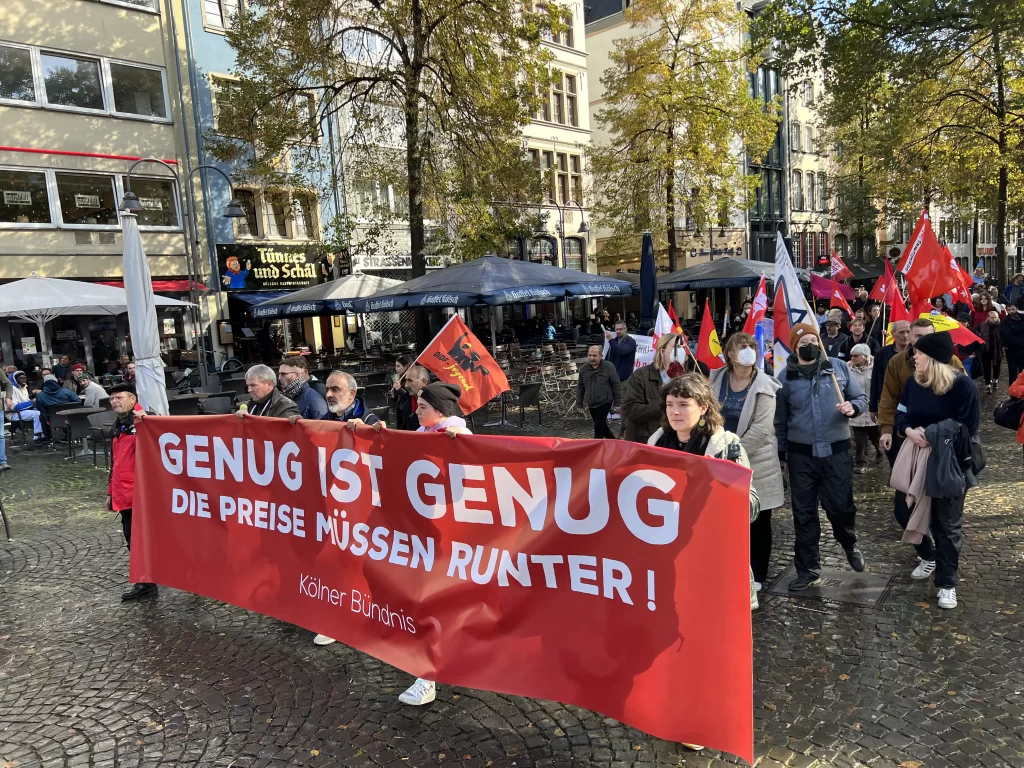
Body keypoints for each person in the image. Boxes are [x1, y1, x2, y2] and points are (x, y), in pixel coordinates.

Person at [647, 373, 762, 611]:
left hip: (713, 555)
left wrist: (718, 484)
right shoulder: (656, 443)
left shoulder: (726, 447)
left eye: (683, 405)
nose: (674, 411)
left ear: (703, 408)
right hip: (671, 557)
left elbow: (751, 507)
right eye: (670, 405)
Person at [775, 323, 867, 592]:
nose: (810, 344)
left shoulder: (837, 368)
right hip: (801, 456)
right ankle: (807, 569)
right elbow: (780, 420)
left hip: (836, 451)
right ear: (795, 346)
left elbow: (859, 397)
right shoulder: (785, 378)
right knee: (804, 515)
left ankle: (849, 543)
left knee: (840, 507)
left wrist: (854, 407)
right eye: (804, 341)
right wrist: (781, 455)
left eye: (815, 339)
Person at [892, 331, 979, 609]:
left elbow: (970, 427)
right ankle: (928, 556)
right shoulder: (912, 383)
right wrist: (907, 429)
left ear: (932, 358)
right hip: (914, 457)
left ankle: (947, 583)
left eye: (918, 352)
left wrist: (932, 433)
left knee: (946, 525)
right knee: (902, 511)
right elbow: (900, 414)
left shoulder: (963, 386)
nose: (912, 356)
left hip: (948, 463)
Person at [398, 382, 471, 707]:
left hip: (447, 540)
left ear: (440, 411)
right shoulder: (422, 435)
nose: (417, 411)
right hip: (423, 536)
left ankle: (427, 677)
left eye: (423, 407)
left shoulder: (459, 440)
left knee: (434, 603)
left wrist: (460, 452)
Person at [310, 370, 383, 648]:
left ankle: (370, 616)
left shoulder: (367, 417)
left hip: (364, 509)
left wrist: (368, 430)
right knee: (336, 562)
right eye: (327, 389)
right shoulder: (326, 420)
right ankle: (339, 620)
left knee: (362, 565)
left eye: (335, 390)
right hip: (335, 507)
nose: (328, 394)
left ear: (352, 394)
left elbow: (382, 432)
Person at [709, 333, 783, 593]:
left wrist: (733, 455)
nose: (748, 350)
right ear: (730, 353)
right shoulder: (715, 378)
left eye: (752, 346)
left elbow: (762, 429)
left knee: (758, 520)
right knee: (724, 519)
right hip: (717, 460)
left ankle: (758, 572)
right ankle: (729, 567)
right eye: (742, 347)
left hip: (756, 462)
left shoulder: (765, 384)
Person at [105, 383, 158, 601]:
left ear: (132, 398)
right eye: (112, 399)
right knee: (133, 540)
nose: (114, 402)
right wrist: (110, 492)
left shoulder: (145, 420)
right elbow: (116, 463)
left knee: (153, 539)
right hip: (125, 494)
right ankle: (146, 584)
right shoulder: (118, 426)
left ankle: (186, 575)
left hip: (144, 494)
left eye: (118, 397)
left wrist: (149, 421)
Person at [622, 333, 689, 443]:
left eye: (682, 347)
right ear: (663, 351)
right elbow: (630, 410)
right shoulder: (641, 375)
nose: (680, 350)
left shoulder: (689, 379)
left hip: (678, 441)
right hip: (647, 440)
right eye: (676, 347)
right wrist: (667, 407)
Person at [575, 345, 622, 439]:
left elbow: (616, 385)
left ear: (601, 355)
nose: (592, 358)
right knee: (602, 426)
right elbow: (580, 386)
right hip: (591, 402)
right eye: (590, 355)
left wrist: (618, 403)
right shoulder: (584, 368)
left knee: (598, 427)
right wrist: (579, 403)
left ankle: (596, 447)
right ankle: (614, 443)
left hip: (605, 401)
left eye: (595, 355)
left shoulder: (608, 367)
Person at [847, 344, 881, 473]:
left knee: (875, 435)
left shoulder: (875, 369)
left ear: (865, 357)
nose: (853, 358)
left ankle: (881, 450)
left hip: (873, 409)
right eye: (852, 355)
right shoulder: (849, 369)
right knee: (860, 439)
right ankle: (861, 462)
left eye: (856, 355)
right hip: (857, 409)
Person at [34, 373, 79, 439]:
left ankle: (49, 437)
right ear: (56, 381)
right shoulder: (66, 392)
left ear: (44, 383)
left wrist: (47, 418)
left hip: (51, 420)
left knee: (41, 416)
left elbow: (41, 409)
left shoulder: (40, 396)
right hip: (69, 418)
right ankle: (70, 434)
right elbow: (77, 401)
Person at [7, 370, 44, 442]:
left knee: (42, 411)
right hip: (13, 413)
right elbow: (14, 407)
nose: (24, 380)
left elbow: (26, 402)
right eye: (21, 378)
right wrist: (32, 402)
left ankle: (44, 434)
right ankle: (37, 436)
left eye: (24, 378)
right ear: (15, 379)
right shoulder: (12, 389)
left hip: (23, 411)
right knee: (37, 414)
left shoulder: (24, 387)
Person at [976, 309, 1003, 394]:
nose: (993, 319)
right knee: (986, 368)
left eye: (995, 317)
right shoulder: (982, 325)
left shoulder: (1001, 326)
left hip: (997, 349)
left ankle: (995, 379)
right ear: (988, 318)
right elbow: (975, 332)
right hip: (986, 349)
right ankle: (987, 384)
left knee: (997, 367)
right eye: (991, 317)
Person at [397, 365, 430, 430]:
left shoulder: (434, 406)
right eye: (406, 380)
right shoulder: (407, 403)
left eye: (410, 380)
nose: (406, 385)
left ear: (423, 382)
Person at [390, 355, 416, 429]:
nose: (396, 369)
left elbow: (411, 398)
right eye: (395, 366)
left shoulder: (412, 380)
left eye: (398, 366)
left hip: (408, 416)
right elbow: (401, 399)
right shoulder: (400, 379)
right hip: (401, 413)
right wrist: (393, 396)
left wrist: (400, 390)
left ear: (406, 367)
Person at [1003, 303, 1024, 384]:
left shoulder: (1022, 318)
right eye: (1009, 310)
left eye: (1013, 309)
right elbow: (1006, 335)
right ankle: (1013, 394)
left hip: (1022, 349)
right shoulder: (1005, 321)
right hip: (1011, 350)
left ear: (1017, 308)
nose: (1011, 312)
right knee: (1012, 373)